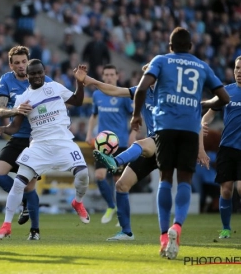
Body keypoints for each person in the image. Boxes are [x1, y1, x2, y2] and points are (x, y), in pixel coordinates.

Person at [75, 64, 210, 243]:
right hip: (152, 146)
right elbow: (113, 90)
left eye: (152, 74)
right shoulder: (141, 91)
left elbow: (196, 119)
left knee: (145, 147)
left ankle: (115, 161)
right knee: (121, 185)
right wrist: (89, 80)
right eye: (147, 74)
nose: (148, 77)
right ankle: (126, 232)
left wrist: (200, 149)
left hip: (168, 144)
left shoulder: (172, 94)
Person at [130, 27, 230, 259]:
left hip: (165, 127)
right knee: (185, 179)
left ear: (170, 46)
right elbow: (224, 98)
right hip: (189, 128)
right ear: (191, 47)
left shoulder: (161, 60)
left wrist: (136, 115)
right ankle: (178, 227)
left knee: (166, 178)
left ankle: (164, 236)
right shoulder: (202, 66)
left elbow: (143, 87)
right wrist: (203, 103)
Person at [0, 60, 89, 240]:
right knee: (20, 183)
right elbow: (15, 128)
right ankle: (6, 225)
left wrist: (80, 82)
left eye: (39, 72)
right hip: (39, 145)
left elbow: (78, 100)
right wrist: (2, 129)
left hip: (63, 142)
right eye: (33, 74)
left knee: (83, 174)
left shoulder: (55, 87)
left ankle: (78, 202)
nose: (36, 76)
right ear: (27, 76)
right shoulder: (23, 99)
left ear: (45, 72)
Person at [0, 46, 52, 240]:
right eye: (16, 63)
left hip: (36, 140)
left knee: (29, 187)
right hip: (17, 136)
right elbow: (1, 111)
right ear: (11, 65)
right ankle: (24, 203)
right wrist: (16, 110)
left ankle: (34, 231)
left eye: (23, 62)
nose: (21, 66)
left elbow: (60, 101)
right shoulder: (6, 80)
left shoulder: (40, 79)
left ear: (29, 61)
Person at [201, 55, 241, 239]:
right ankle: (226, 229)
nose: (239, 71)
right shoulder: (226, 92)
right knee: (225, 190)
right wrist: (203, 123)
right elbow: (209, 115)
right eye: (236, 68)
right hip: (226, 147)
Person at [85, 64, 135, 224]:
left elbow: (135, 117)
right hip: (102, 144)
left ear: (117, 76)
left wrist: (133, 135)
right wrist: (88, 133)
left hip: (119, 143)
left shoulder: (123, 95)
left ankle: (122, 216)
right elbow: (94, 115)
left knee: (119, 181)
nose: (108, 77)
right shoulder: (97, 95)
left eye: (111, 74)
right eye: (105, 74)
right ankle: (111, 206)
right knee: (99, 176)